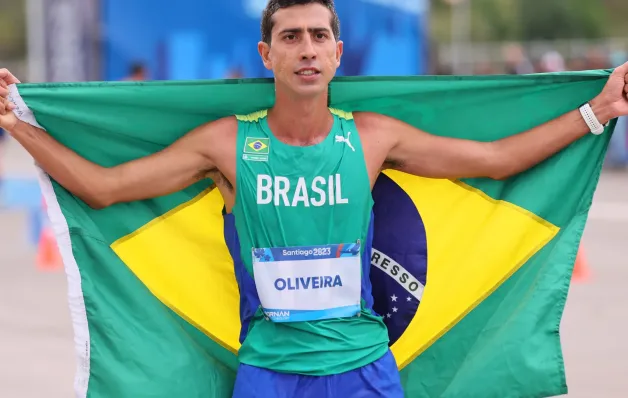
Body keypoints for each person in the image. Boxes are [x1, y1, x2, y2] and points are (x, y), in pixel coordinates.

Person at [1, 0, 628, 396]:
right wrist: (16, 123)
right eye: (292, 36)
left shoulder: (374, 138)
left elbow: (496, 162)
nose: (306, 49)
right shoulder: (227, 146)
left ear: (337, 52)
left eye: (318, 36)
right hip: (269, 374)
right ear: (266, 53)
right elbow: (104, 189)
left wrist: (596, 112)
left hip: (364, 371)